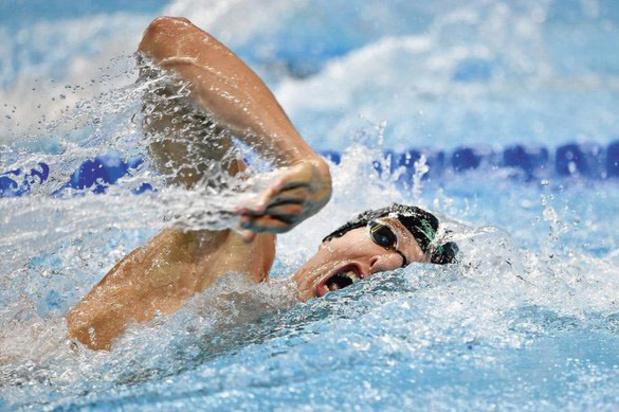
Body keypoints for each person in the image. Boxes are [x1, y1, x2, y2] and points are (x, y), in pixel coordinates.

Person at [65, 17, 457, 351]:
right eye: (386, 238)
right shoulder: (241, 244)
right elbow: (166, 39)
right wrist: (300, 160)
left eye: (402, 270)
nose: (386, 263)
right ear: (334, 236)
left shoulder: (273, 336)